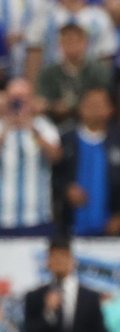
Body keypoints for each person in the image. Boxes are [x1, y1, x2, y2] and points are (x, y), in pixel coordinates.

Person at [55, 87, 120, 236]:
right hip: (71, 227)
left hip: (110, 229)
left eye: (98, 105)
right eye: (88, 104)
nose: (93, 109)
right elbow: (55, 176)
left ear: (110, 109)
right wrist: (66, 189)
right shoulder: (67, 140)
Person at [23, 235, 107, 332]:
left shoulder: (90, 297)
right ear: (47, 261)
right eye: (54, 256)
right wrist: (48, 314)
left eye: (63, 256)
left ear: (72, 260)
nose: (59, 261)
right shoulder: (35, 296)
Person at [0, 78, 63, 236]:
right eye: (14, 98)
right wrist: (7, 128)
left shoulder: (44, 126)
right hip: (3, 217)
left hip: (37, 217)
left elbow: (56, 157)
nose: (18, 103)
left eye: (23, 98)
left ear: (31, 100)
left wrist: (32, 129)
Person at [36, 22, 112, 132]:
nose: (72, 46)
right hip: (56, 124)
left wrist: (77, 107)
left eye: (76, 41)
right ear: (60, 44)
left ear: (85, 43)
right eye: (67, 41)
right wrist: (53, 107)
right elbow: (41, 102)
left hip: (92, 124)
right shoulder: (48, 73)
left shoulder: (98, 71)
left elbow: (103, 100)